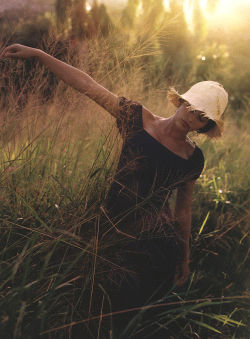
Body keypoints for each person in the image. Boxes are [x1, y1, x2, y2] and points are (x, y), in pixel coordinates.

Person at [0, 44, 228, 338]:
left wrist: (184, 258)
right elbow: (88, 86)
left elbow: (183, 211)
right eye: (190, 106)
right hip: (108, 228)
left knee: (135, 323)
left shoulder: (192, 159)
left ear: (205, 125)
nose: (190, 116)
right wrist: (39, 55)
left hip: (153, 245)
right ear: (180, 101)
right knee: (92, 310)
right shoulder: (138, 119)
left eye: (200, 116)